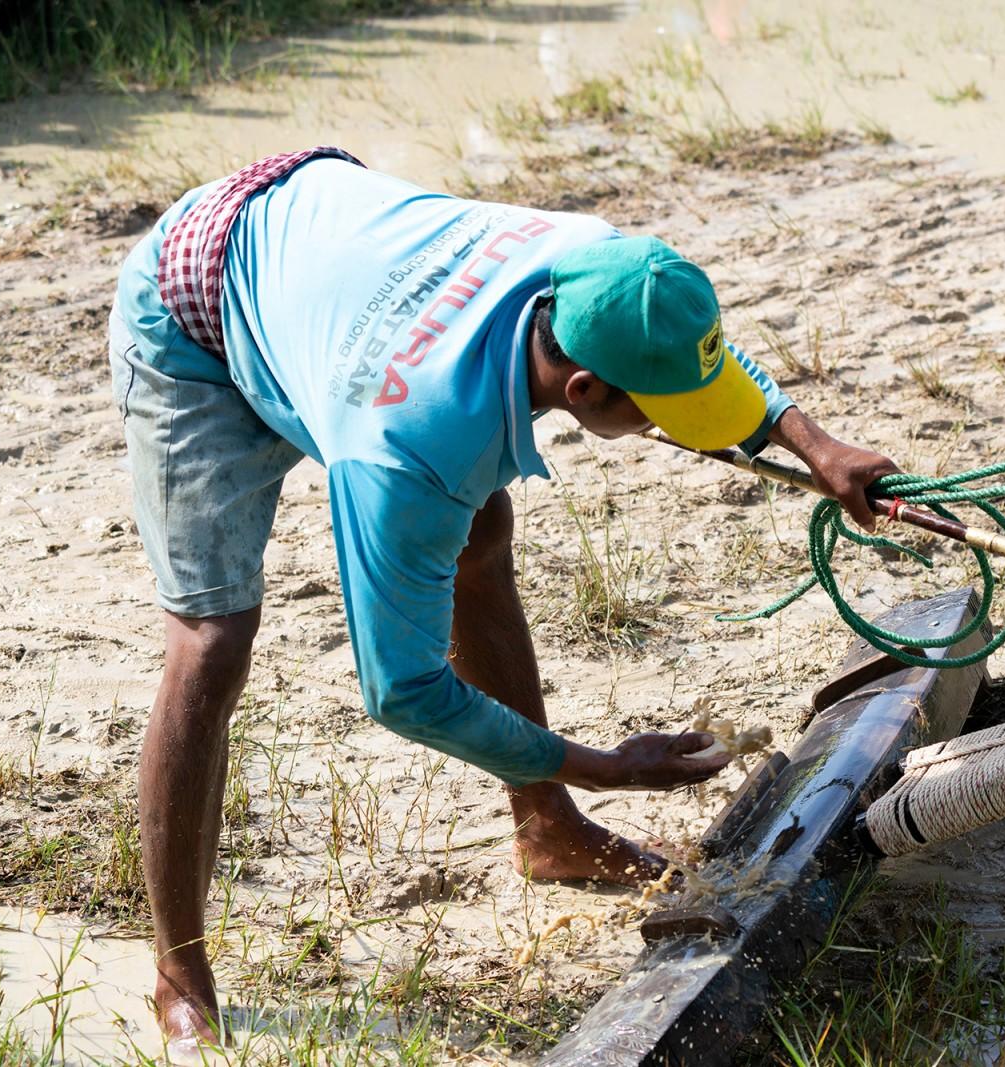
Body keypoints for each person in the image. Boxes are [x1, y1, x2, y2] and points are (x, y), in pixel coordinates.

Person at [109, 146, 899, 1047]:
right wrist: (604, 762)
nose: (660, 429)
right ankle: (180, 968)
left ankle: (547, 828)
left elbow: (681, 338)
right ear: (585, 389)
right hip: (195, 309)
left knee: (479, 536)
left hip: (323, 248)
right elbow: (401, 689)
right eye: (653, 411)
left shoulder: (596, 264)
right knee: (212, 640)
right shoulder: (405, 445)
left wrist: (810, 441)